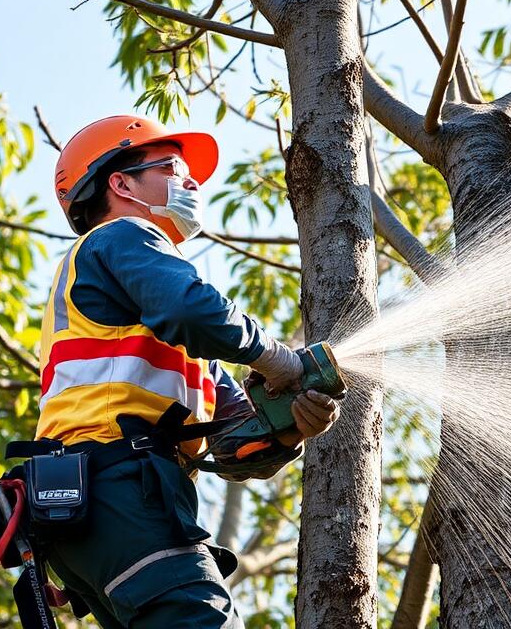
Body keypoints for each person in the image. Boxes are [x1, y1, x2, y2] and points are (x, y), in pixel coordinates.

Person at [35, 114, 339, 628]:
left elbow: (235, 448)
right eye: (173, 168)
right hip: (119, 486)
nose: (193, 183)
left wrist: (290, 428)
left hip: (107, 503)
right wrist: (276, 358)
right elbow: (192, 309)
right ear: (121, 184)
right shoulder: (120, 236)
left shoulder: (174, 346)